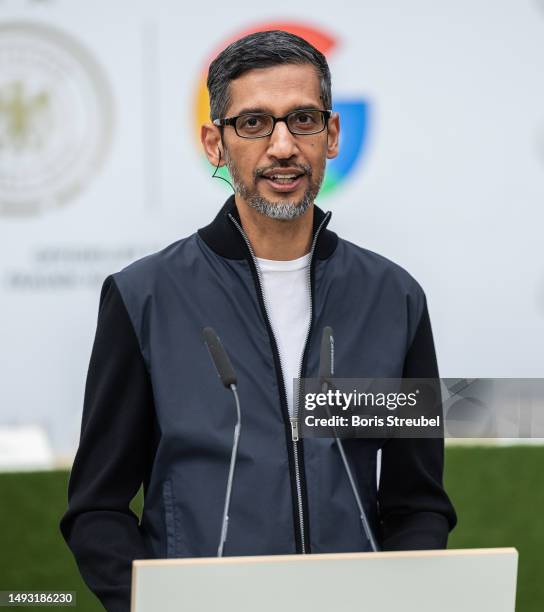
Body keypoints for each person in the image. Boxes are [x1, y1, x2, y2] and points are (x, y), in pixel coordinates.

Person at [60, 30, 456, 612]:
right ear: (214, 144)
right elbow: (97, 509)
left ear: (333, 135)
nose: (282, 146)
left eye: (303, 120)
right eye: (252, 123)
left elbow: (417, 502)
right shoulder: (144, 297)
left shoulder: (394, 299)